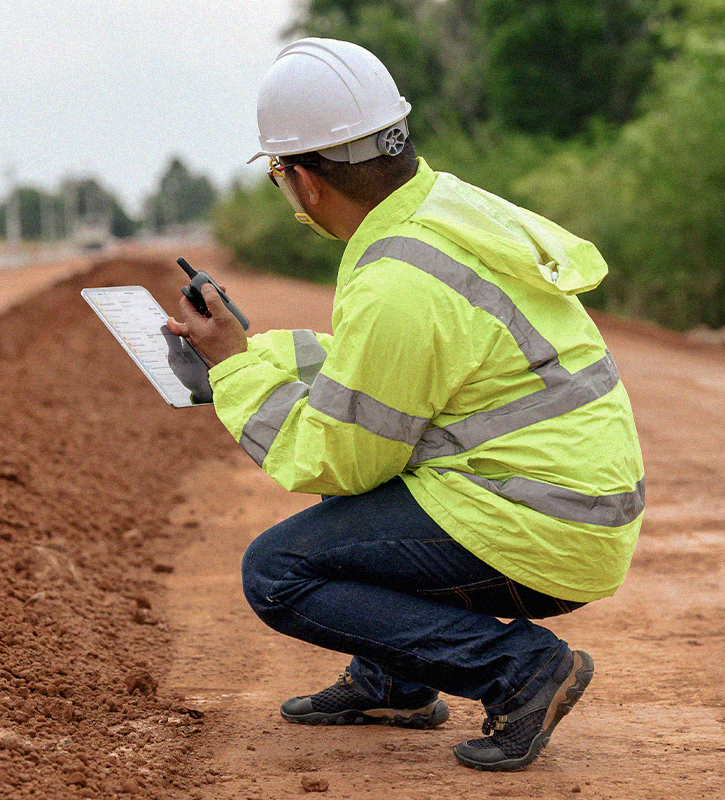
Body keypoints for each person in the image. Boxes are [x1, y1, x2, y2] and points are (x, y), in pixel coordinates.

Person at [166, 37, 644, 772]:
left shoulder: (397, 280)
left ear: (304, 181)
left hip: (542, 524)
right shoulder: (446, 211)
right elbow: (376, 376)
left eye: (276, 176)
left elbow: (334, 456)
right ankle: (395, 679)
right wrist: (243, 351)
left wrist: (229, 372)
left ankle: (517, 670)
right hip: (574, 500)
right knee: (375, 478)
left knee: (278, 572)